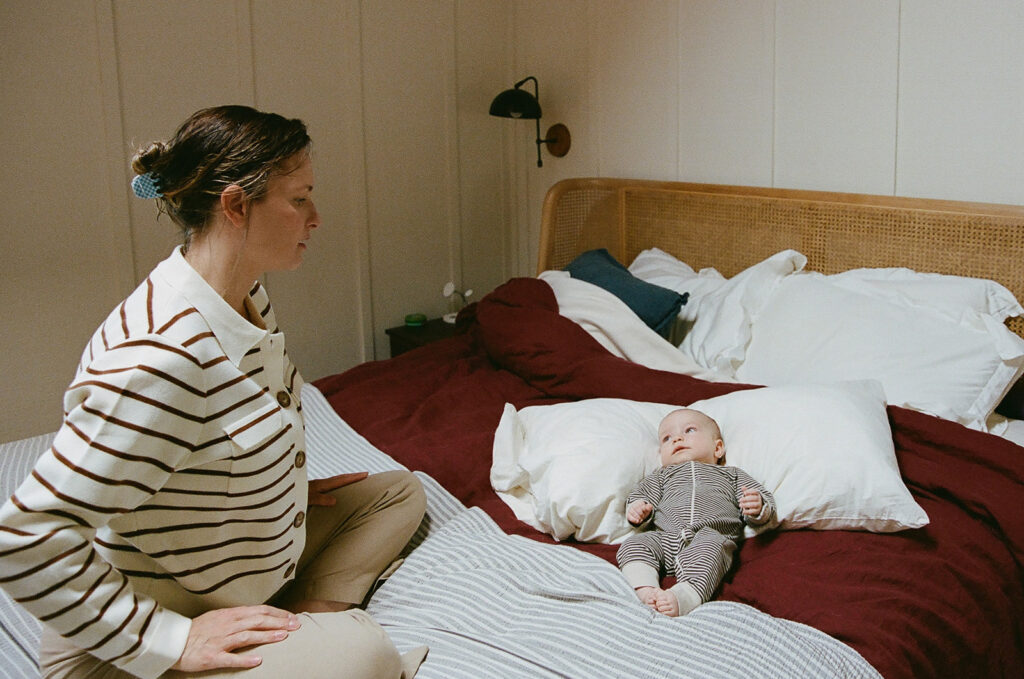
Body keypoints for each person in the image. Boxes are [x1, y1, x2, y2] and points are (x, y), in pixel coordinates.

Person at [0, 106, 427, 679]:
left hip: (228, 569)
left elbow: (224, 434)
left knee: (398, 493)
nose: (316, 217)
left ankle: (292, 621)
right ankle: (296, 641)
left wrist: (279, 491)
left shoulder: (243, 295)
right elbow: (23, 538)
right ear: (235, 204)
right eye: (300, 198)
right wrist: (169, 639)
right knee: (366, 655)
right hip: (130, 637)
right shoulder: (161, 358)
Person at [616, 408, 776, 617]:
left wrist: (757, 506)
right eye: (667, 438)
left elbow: (764, 501)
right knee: (634, 544)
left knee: (713, 551)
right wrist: (638, 510)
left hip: (710, 536)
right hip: (666, 537)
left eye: (689, 430)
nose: (677, 438)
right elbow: (640, 496)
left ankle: (685, 595)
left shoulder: (732, 474)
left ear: (718, 448)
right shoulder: (661, 476)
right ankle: (645, 589)